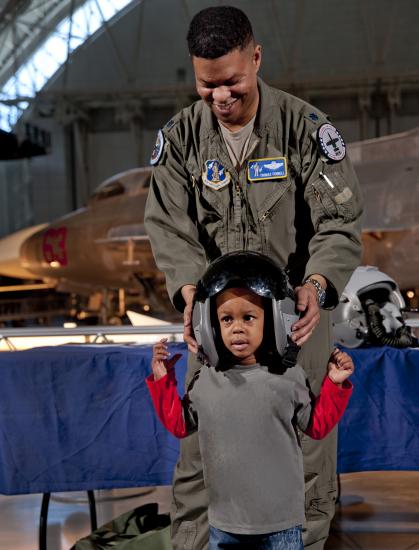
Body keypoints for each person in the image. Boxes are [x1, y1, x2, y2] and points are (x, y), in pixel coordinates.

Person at [144, 6, 363, 549]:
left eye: (233, 82)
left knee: (305, 456)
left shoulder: (306, 130)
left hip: (296, 321)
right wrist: (191, 292)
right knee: (199, 458)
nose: (221, 97)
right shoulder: (180, 141)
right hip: (218, 323)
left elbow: (339, 223)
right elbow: (168, 226)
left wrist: (316, 287)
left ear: (257, 58)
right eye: (207, 85)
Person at [146, 252, 354, 550]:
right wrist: (162, 379)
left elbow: (317, 426)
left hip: (280, 524)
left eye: (249, 317)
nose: (237, 328)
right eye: (227, 319)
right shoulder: (206, 379)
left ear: (271, 319)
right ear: (211, 324)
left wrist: (334, 383)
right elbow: (180, 424)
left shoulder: (289, 377)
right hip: (224, 523)